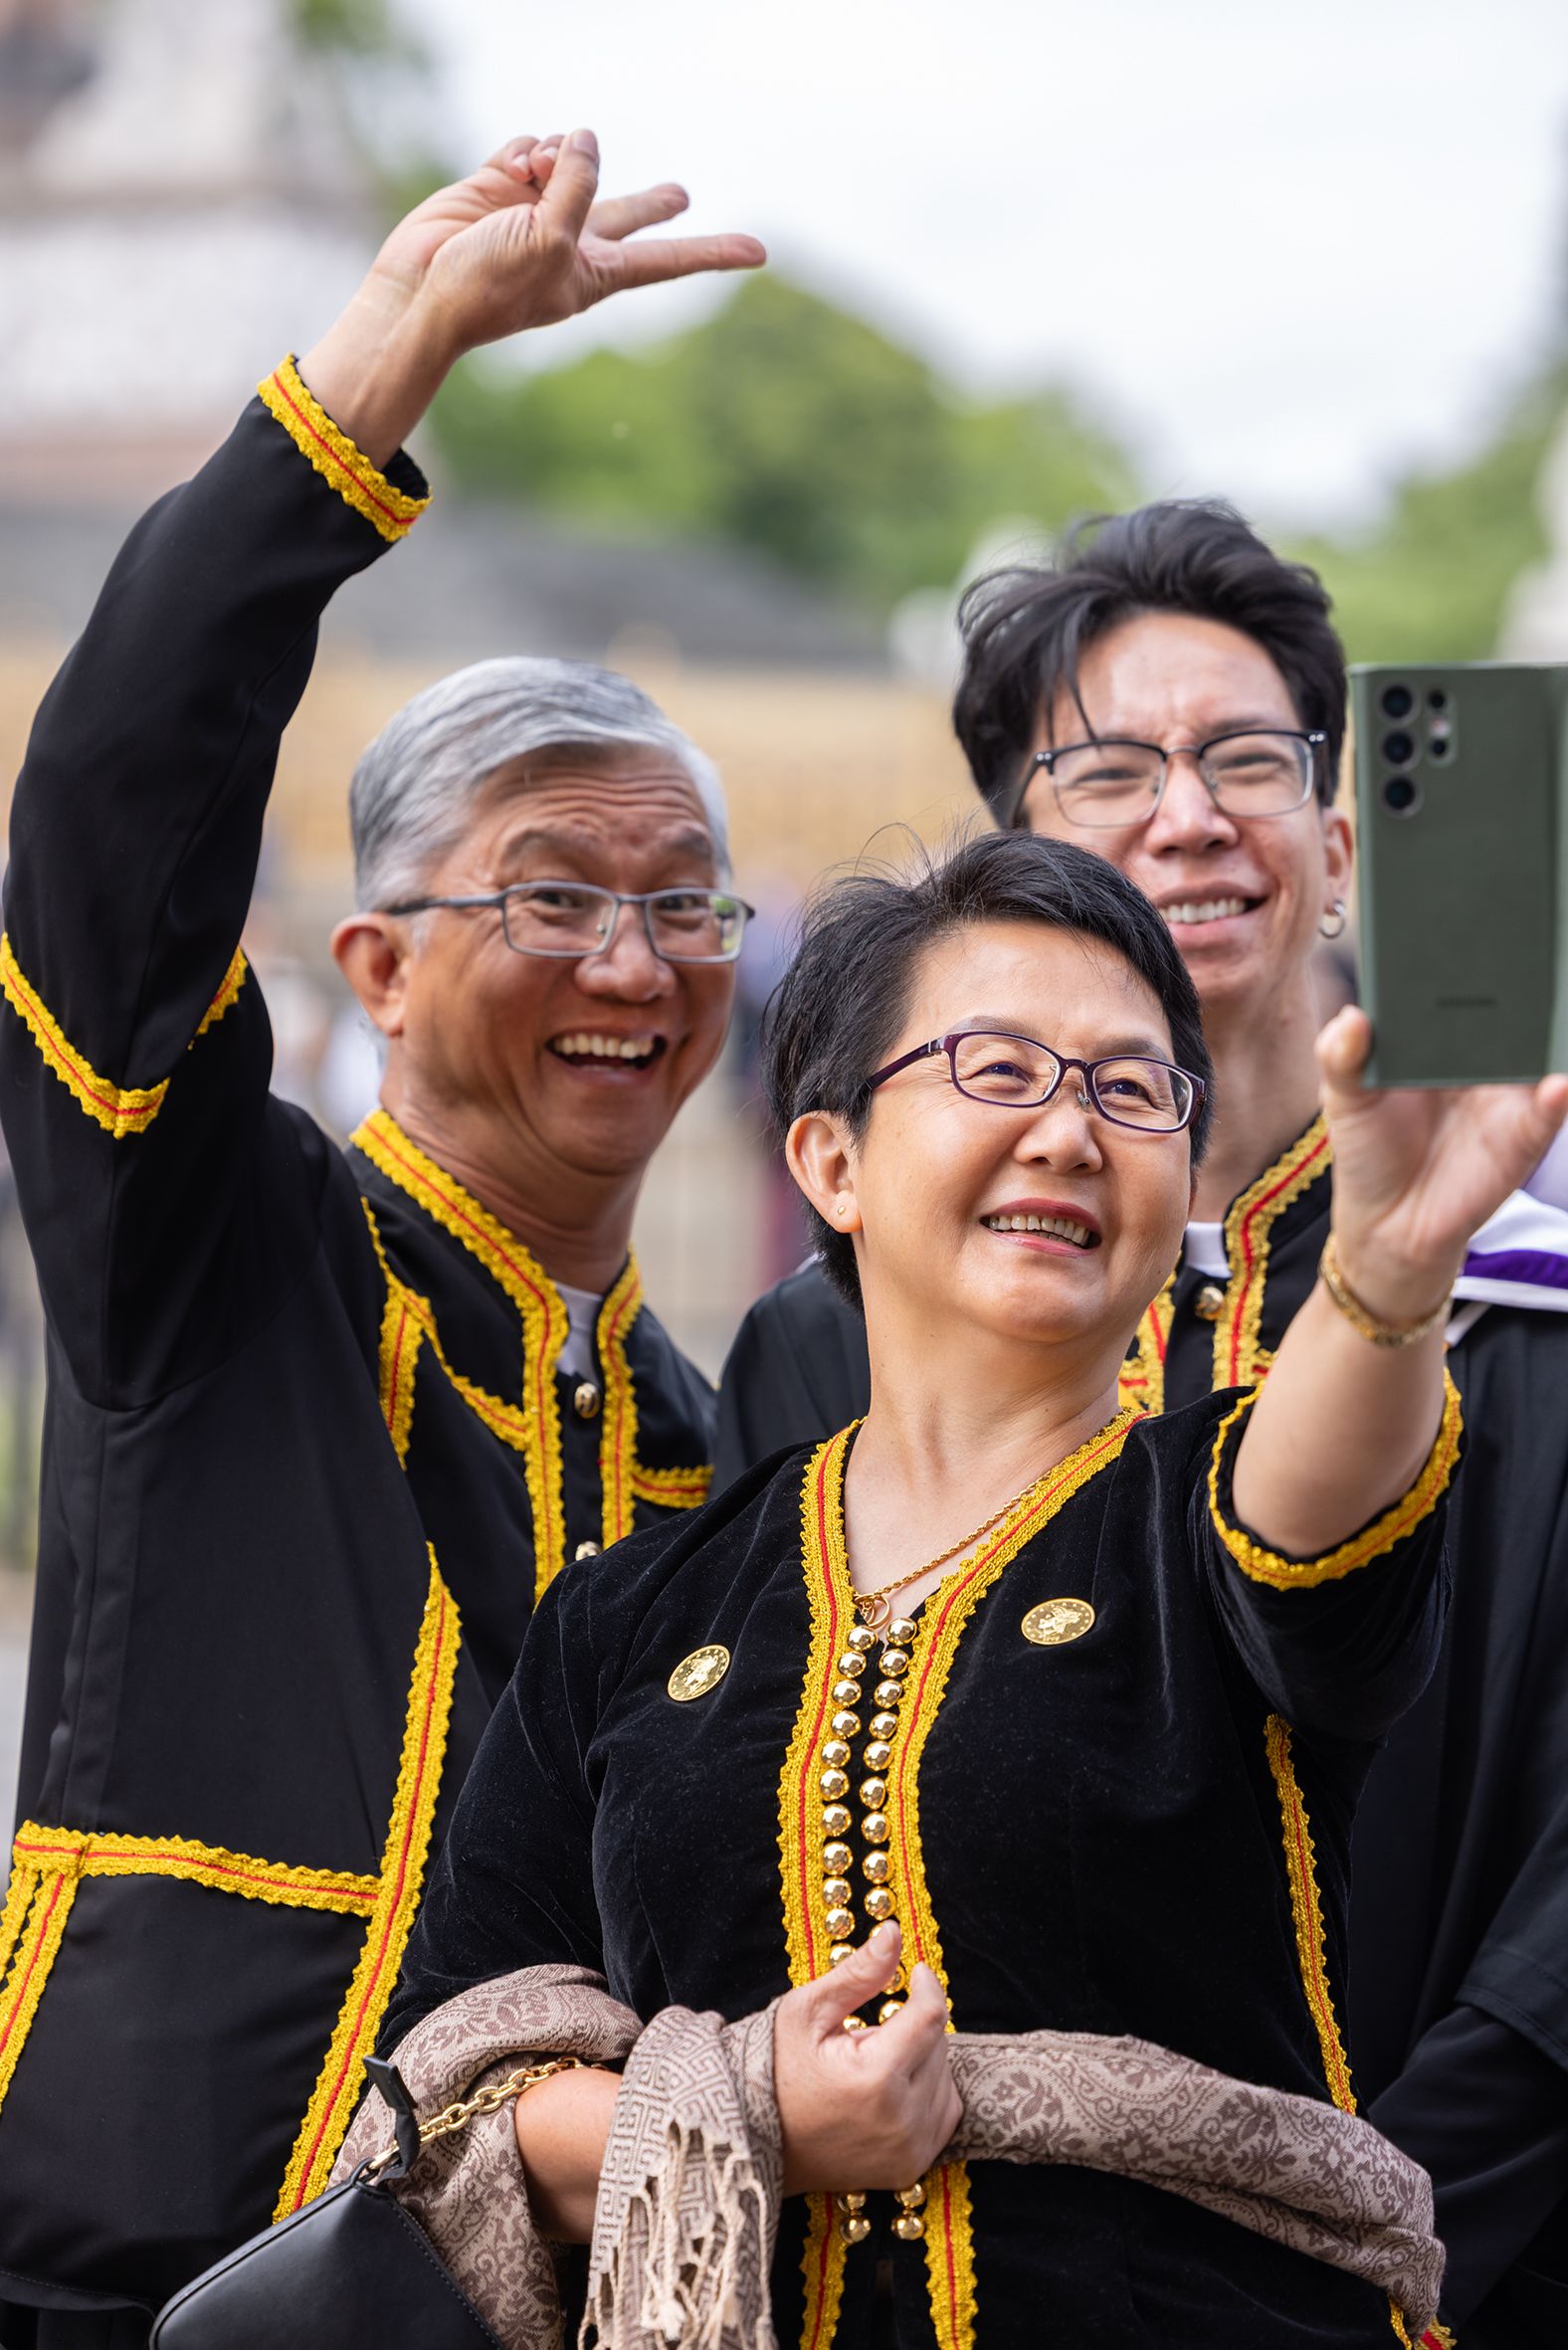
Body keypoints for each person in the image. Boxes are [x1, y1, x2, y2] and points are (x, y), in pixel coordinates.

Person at [346, 827, 1566, 2350]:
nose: (1069, 1132)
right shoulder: (633, 1617)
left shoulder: (1203, 1516)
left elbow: (1317, 1497)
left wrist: (1386, 1274)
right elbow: (449, 2098)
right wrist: (756, 2112)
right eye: (997, 1067)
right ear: (830, 1159)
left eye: (1131, 1090)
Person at [0, 133, 763, 2340]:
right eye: (551, 892)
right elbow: (114, 797)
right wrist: (385, 360)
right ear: (382, 961)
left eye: (681, 901)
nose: (632, 959)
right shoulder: (226, 1248)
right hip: (129, 2275)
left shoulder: (707, 1460)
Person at [713, 503, 1568, 2347]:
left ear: (1339, 845)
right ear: (1017, 853)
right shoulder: (829, 1348)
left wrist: (1397, 2224)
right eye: (1111, 771)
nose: (1191, 815)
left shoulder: (1527, 1306)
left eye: (1247, 759)